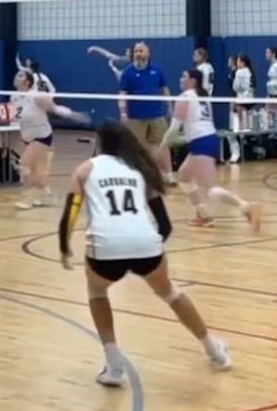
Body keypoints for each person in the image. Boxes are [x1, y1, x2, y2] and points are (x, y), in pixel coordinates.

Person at [59, 120, 232, 387]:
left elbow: (71, 212)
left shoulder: (85, 169)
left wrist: (64, 247)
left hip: (105, 248)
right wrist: (145, 251)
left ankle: (114, 365)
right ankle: (214, 350)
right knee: (171, 293)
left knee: (97, 293)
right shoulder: (139, 169)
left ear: (99, 142)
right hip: (146, 244)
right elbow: (165, 225)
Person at [162, 69, 261, 230]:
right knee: (184, 176)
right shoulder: (203, 97)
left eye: (184, 76)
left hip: (201, 143)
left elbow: (174, 128)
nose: (181, 79)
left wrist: (163, 144)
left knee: (210, 189)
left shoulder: (184, 98)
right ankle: (203, 214)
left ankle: (246, 207)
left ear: (193, 81)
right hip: (206, 139)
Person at [14, 71, 90, 210]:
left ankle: (28, 199)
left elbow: (55, 109)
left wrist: (73, 115)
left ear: (28, 82)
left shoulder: (37, 96)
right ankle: (46, 194)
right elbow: (19, 118)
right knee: (34, 171)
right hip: (27, 137)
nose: (16, 77)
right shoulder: (14, 97)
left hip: (41, 136)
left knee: (24, 164)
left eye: (21, 75)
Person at [117, 42, 173, 183]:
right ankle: (139, 174)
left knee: (162, 145)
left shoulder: (157, 70)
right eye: (136, 51)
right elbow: (122, 95)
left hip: (157, 115)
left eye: (140, 51)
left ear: (148, 53)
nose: (137, 54)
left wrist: (170, 105)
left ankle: (168, 174)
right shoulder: (128, 73)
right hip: (135, 117)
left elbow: (164, 89)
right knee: (136, 146)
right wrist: (123, 113)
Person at [231, 54, 254, 131]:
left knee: (240, 117)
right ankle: (247, 130)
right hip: (250, 97)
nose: (236, 63)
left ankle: (242, 132)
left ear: (243, 62)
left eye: (238, 61)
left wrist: (236, 87)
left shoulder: (239, 72)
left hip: (241, 98)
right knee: (247, 115)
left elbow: (236, 86)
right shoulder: (249, 71)